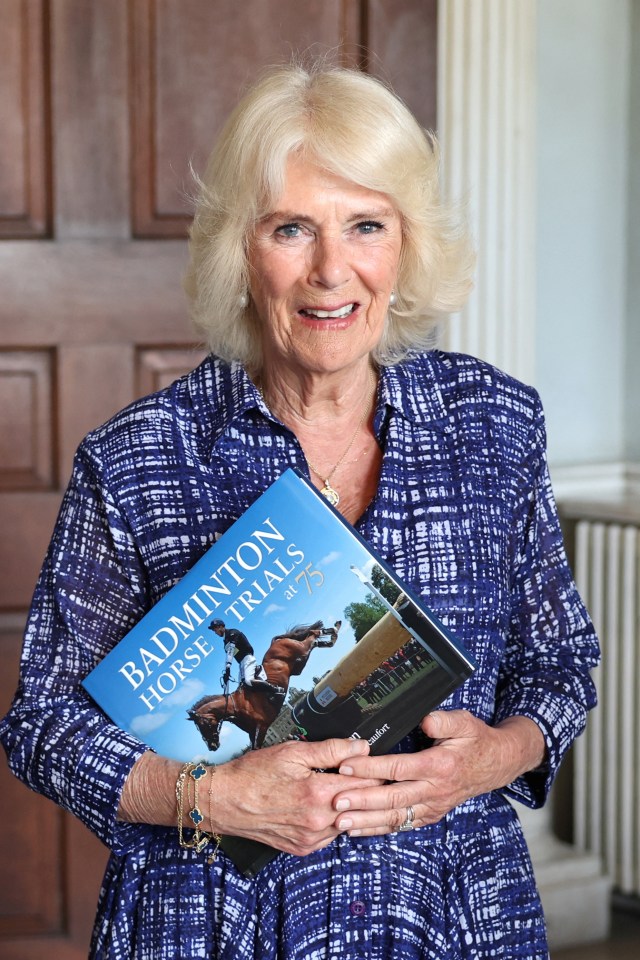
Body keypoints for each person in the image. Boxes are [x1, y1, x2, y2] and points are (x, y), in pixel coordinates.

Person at [0, 60, 599, 960]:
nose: (331, 270)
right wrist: (206, 798)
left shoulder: (493, 424)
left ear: (406, 248)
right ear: (241, 254)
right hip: (211, 919)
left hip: (450, 910)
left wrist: (496, 756)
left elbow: (562, 665)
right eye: (290, 229)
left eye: (366, 224)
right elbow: (42, 727)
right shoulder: (140, 458)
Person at [208, 618, 279, 693]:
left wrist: (228, 667)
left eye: (215, 630)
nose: (215, 632)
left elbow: (231, 650)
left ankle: (275, 689)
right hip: (241, 664)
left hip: (247, 658)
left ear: (220, 626)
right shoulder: (225, 642)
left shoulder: (233, 632)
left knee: (248, 681)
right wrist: (226, 673)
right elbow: (229, 655)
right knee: (241, 689)